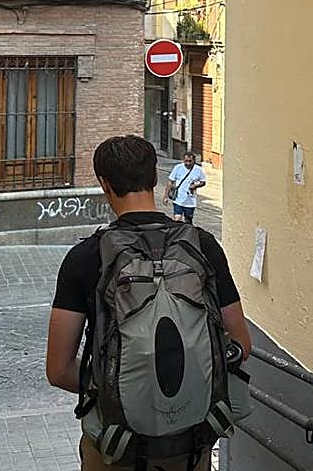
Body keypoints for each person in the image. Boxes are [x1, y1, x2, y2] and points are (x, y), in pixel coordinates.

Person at [46, 135, 251, 471]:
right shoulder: (204, 246)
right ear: (155, 178)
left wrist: (119, 390)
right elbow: (241, 343)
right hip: (191, 444)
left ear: (104, 184)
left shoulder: (84, 258)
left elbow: (58, 370)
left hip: (117, 444)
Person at [165, 151, 207, 223]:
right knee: (177, 219)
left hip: (190, 201)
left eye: (190, 161)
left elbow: (203, 182)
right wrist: (166, 196)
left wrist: (195, 186)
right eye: (186, 161)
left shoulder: (198, 170)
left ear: (194, 161)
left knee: (188, 221)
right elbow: (170, 182)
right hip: (178, 200)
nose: (188, 163)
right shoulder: (178, 168)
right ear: (183, 160)